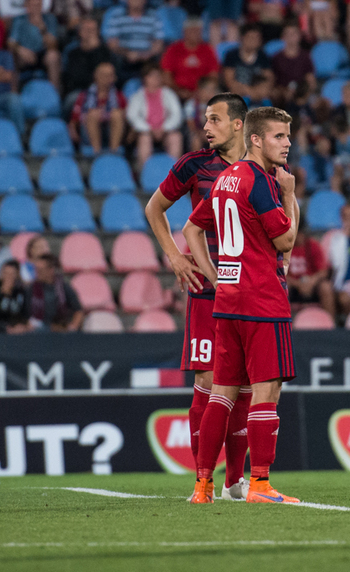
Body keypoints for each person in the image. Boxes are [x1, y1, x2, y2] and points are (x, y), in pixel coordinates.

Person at [185, 106, 301, 505]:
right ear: (255, 139)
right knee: (266, 391)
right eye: (279, 136)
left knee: (221, 395)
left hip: (228, 301)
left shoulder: (224, 179)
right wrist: (289, 194)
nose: (287, 144)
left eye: (288, 136)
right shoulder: (262, 182)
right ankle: (261, 485)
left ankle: (203, 486)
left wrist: (216, 276)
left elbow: (192, 229)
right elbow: (286, 241)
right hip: (263, 300)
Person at [143, 92, 249, 500]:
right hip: (206, 288)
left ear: (238, 124)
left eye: (214, 119)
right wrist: (174, 256)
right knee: (207, 379)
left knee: (243, 385)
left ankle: (234, 481)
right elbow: (155, 208)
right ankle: (202, 480)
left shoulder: (261, 167)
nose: (206, 127)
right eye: (205, 119)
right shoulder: (194, 164)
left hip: (248, 288)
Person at [127, 65, 185, 165]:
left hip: (165, 130)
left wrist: (164, 128)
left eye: (158, 76)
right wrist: (149, 129)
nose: (156, 78)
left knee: (176, 137)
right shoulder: (137, 96)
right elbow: (132, 116)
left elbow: (177, 114)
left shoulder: (169, 94)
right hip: (146, 131)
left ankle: (175, 172)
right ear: (145, 78)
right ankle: (145, 172)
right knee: (144, 139)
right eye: (152, 76)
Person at [286, 228, 336, 318]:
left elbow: (323, 271)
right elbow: (279, 273)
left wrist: (312, 281)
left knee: (326, 288)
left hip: (312, 284)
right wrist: (298, 284)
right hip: (293, 284)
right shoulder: (283, 247)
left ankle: (330, 322)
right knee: (281, 287)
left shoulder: (313, 245)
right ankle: (281, 322)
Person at [28, 253, 84, 331]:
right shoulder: (31, 289)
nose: (37, 273)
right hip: (40, 329)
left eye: (40, 270)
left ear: (51, 270)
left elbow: (78, 310)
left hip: (61, 328)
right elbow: (27, 315)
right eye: (36, 270)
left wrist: (72, 327)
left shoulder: (63, 288)